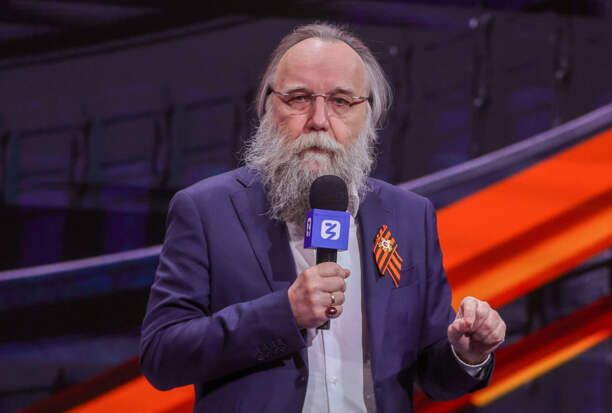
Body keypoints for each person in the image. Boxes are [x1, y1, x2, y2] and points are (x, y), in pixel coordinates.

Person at [140, 23, 506, 412]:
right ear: (266, 107)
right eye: (299, 98)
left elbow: (433, 375)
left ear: (369, 116)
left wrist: (467, 355)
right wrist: (284, 313)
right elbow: (162, 356)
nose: (318, 119)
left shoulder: (409, 216)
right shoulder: (207, 210)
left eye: (341, 102)